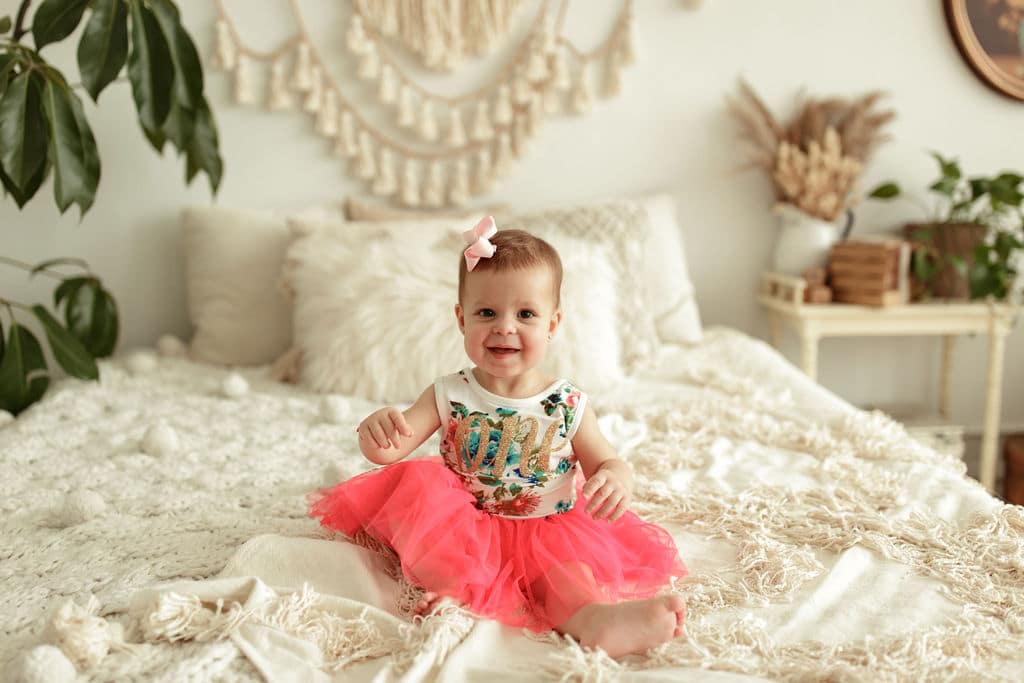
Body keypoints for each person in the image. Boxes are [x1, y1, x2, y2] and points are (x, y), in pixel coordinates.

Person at [309, 217, 687, 658]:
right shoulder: (449, 392)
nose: (505, 327)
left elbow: (606, 461)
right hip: (465, 521)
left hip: (548, 528)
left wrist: (616, 479)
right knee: (425, 506)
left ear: (553, 323)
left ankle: (598, 620)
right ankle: (455, 594)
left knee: (567, 580)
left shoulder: (568, 402)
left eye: (526, 314)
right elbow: (391, 448)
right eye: (487, 312)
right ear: (461, 319)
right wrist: (376, 432)